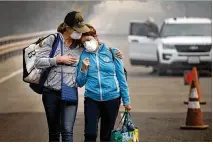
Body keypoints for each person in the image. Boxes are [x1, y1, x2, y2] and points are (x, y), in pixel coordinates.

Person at [34, 11, 123, 142]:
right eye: (78, 29)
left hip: (69, 89)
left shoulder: (80, 45)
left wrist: (114, 51)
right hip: (50, 92)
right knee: (54, 132)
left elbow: (95, 44)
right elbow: (38, 62)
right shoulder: (52, 40)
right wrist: (58, 59)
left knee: (67, 131)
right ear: (68, 28)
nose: (80, 33)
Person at [76, 24, 131, 142]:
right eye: (84, 42)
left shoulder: (113, 52)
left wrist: (126, 101)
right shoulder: (83, 55)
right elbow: (80, 83)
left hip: (112, 99)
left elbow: (122, 78)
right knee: (90, 134)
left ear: (96, 37)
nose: (87, 44)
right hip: (92, 99)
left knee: (106, 137)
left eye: (88, 40)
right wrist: (84, 69)